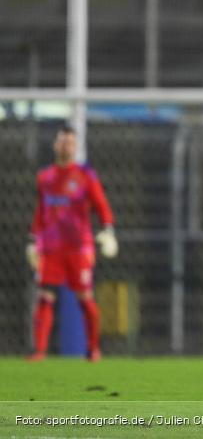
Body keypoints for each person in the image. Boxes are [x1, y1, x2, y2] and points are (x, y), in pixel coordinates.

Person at [27, 124, 118, 362]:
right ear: (55, 145)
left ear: (75, 147)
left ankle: (93, 349)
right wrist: (33, 240)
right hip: (50, 247)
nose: (66, 146)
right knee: (45, 295)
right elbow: (41, 210)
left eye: (70, 142)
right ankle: (40, 350)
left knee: (85, 296)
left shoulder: (85, 175)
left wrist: (108, 229)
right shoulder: (44, 177)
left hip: (79, 247)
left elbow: (101, 204)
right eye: (62, 141)